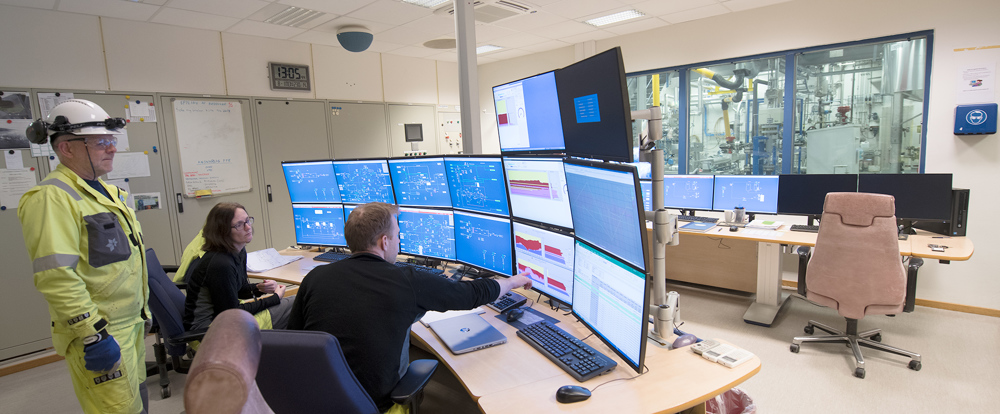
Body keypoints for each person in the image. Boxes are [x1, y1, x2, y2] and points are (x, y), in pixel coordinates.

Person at [289, 202, 533, 413]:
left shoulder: (316, 277)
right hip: (372, 404)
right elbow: (469, 295)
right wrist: (513, 281)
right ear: (384, 242)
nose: (399, 240)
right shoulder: (406, 280)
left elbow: (294, 339)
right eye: (397, 235)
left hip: (311, 400)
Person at [19, 99, 150, 414]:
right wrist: (92, 335)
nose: (112, 149)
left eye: (112, 141)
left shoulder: (107, 192)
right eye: (102, 142)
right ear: (66, 149)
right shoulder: (52, 198)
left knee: (136, 403)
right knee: (117, 409)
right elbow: (56, 276)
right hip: (102, 330)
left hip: (130, 324)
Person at [183, 202, 293, 331]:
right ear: (222, 231)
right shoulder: (220, 264)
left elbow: (238, 290)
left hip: (224, 320)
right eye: (239, 225)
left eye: (248, 221)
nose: (248, 227)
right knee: (297, 303)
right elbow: (232, 313)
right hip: (210, 332)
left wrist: (259, 288)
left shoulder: (238, 251)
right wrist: (275, 298)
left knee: (295, 302)